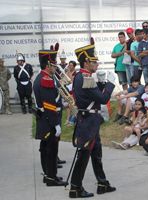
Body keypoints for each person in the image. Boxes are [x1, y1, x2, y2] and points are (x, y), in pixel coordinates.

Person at [69, 40, 116, 198]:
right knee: (84, 154)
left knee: (96, 152)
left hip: (90, 120)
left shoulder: (82, 76)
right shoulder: (85, 78)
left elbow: (93, 94)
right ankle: (75, 187)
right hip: (89, 120)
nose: (96, 64)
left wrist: (101, 83)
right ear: (86, 62)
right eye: (94, 61)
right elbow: (102, 99)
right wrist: (109, 84)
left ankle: (102, 183)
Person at [33, 47, 66, 186]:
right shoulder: (45, 79)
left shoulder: (44, 77)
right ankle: (51, 177)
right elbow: (49, 105)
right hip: (49, 120)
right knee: (51, 149)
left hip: (46, 119)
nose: (55, 67)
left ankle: (49, 175)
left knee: (46, 148)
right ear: (47, 66)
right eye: (53, 65)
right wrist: (55, 123)